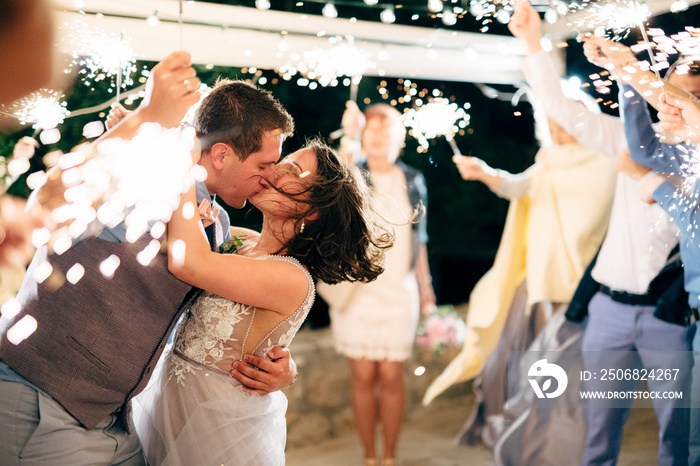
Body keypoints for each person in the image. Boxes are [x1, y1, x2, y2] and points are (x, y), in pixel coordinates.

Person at [0, 51, 298, 465]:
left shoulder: (218, 224)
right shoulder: (147, 174)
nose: (270, 176)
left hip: (114, 420)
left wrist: (277, 361)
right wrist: (143, 121)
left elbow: (226, 307)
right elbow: (46, 201)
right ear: (222, 155)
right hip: (41, 401)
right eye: (264, 164)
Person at [132, 136, 393, 465]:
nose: (275, 169)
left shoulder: (292, 278)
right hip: (166, 406)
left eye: (293, 168)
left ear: (312, 211)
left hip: (215, 428)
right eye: (279, 161)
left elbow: (189, 262)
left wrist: (186, 165)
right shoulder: (240, 240)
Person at [444, 112, 616, 448]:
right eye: (551, 128)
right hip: (538, 282)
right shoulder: (548, 161)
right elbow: (517, 186)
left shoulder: (606, 162)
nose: (558, 135)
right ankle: (518, 434)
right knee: (515, 366)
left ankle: (556, 442)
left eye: (563, 125)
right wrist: (486, 173)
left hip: (577, 288)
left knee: (561, 373)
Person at [585, 37, 700, 465]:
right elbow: (644, 150)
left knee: (684, 438)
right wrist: (628, 77)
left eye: (689, 100)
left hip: (670, 317)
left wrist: (652, 184)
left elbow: (692, 218)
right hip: (682, 314)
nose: (677, 106)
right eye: (675, 95)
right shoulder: (686, 152)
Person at [320, 101, 435, 466]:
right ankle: (369, 457)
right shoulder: (352, 173)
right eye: (371, 131)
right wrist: (348, 133)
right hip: (358, 291)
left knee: (392, 376)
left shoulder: (414, 180)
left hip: (400, 293)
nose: (379, 138)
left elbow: (421, 239)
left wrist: (427, 289)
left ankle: (390, 457)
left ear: (399, 138)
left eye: (386, 131)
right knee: (362, 376)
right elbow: (331, 178)